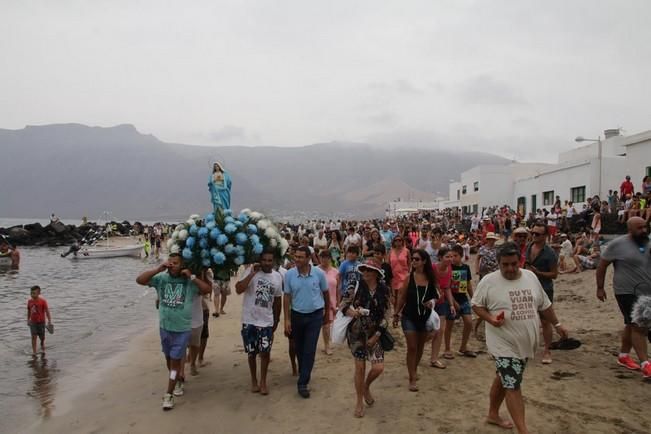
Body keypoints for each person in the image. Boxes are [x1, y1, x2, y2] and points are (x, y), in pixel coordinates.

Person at [472, 242, 569, 434]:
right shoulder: (489, 281)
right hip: (503, 343)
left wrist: (557, 325)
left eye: (514, 264)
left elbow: (544, 304)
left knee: (504, 378)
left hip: (525, 343)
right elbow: (476, 305)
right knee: (513, 384)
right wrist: (490, 319)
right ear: (498, 263)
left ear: (520, 261)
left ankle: (492, 414)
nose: (510, 269)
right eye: (505, 265)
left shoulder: (531, 277)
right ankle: (523, 430)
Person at [135, 253, 212, 410]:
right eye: (170, 262)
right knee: (169, 360)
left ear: (182, 265)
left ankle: (169, 394)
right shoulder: (161, 279)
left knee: (176, 363)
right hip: (165, 328)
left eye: (176, 263)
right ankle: (176, 380)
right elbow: (140, 280)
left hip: (182, 330)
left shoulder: (189, 283)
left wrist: (191, 276)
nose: (172, 265)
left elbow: (206, 289)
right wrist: (158, 269)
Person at [596, 217, 651, 378]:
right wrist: (600, 288)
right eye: (639, 228)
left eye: (645, 227)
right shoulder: (617, 245)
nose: (644, 230)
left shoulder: (647, 242)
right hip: (626, 291)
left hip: (646, 292)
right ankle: (645, 364)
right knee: (638, 325)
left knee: (630, 323)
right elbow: (602, 266)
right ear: (630, 229)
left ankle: (623, 356)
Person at [340, 258, 390, 418]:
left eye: (369, 270)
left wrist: (377, 335)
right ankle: (359, 401)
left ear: (376, 273)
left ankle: (366, 386)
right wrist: (353, 312)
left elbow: (386, 314)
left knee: (378, 368)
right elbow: (343, 305)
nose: (366, 273)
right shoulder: (354, 286)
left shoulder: (384, 289)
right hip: (356, 333)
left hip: (375, 332)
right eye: (364, 270)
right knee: (360, 368)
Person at [283, 246, 329, 398]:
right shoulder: (289, 274)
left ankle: (302, 382)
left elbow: (325, 293)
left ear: (309, 258)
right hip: (297, 315)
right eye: (296, 256)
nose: (297, 260)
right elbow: (287, 297)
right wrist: (287, 319)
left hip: (315, 316)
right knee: (299, 349)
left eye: (301, 257)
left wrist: (327, 313)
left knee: (309, 349)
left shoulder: (318, 273)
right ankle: (304, 371)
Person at [235, 251, 283, 395]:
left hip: (266, 321)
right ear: (260, 260)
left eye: (270, 260)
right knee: (251, 352)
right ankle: (253, 380)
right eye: (264, 260)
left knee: (265, 352)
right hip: (249, 319)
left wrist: (276, 319)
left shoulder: (277, 277)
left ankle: (263, 381)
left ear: (274, 261)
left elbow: (278, 299)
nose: (267, 263)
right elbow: (238, 289)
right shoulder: (250, 271)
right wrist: (251, 274)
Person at [394, 249, 438, 391]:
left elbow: (437, 294)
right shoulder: (409, 277)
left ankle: (414, 369)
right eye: (412, 259)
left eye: (417, 259)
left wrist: (432, 302)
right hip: (409, 316)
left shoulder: (431, 278)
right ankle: (412, 377)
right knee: (412, 347)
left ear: (424, 261)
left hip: (424, 317)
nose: (413, 261)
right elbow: (402, 296)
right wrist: (396, 313)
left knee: (419, 347)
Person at [525, 222, 558, 364]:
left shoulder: (550, 253)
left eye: (537, 234)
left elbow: (554, 274)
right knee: (527, 319)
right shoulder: (528, 247)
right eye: (532, 233)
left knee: (545, 321)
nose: (533, 236)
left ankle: (547, 350)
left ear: (545, 236)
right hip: (528, 287)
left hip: (544, 288)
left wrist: (538, 273)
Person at [444, 244, 476, 359]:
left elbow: (468, 284)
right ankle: (447, 348)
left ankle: (463, 347)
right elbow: (445, 287)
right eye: (450, 256)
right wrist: (452, 302)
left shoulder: (465, 268)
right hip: (451, 300)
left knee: (468, 322)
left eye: (455, 256)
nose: (452, 258)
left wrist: (473, 298)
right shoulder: (448, 268)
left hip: (463, 298)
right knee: (449, 324)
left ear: (461, 256)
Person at [431, 247, 456, 369]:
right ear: (440, 257)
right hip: (429, 303)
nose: (450, 259)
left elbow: (447, 288)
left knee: (440, 330)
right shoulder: (432, 268)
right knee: (428, 331)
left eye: (452, 256)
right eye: (447, 256)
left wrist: (451, 304)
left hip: (441, 303)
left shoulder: (450, 269)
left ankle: (434, 359)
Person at [318, 249, 339, 355]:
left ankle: (327, 345)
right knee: (320, 324)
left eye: (326, 257)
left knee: (327, 325)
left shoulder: (335, 271)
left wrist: (338, 302)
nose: (324, 260)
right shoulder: (315, 270)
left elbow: (338, 288)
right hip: (318, 302)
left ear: (330, 258)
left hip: (332, 301)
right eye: (322, 257)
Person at [27, 285, 52, 355]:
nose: (32, 295)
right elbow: (29, 311)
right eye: (31, 293)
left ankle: (42, 344)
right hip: (33, 322)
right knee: (33, 337)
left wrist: (49, 321)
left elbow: (47, 311)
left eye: (34, 293)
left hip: (41, 322)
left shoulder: (43, 301)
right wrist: (28, 320)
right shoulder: (29, 301)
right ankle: (34, 352)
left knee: (42, 337)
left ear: (39, 293)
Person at [389, 235, 410, 309]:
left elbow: (409, 264)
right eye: (396, 240)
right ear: (393, 242)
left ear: (402, 241)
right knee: (395, 298)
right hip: (393, 276)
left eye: (399, 240)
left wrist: (409, 275)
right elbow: (388, 264)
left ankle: (401, 313)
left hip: (404, 276)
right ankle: (396, 315)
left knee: (402, 297)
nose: (398, 242)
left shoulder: (407, 251)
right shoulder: (391, 251)